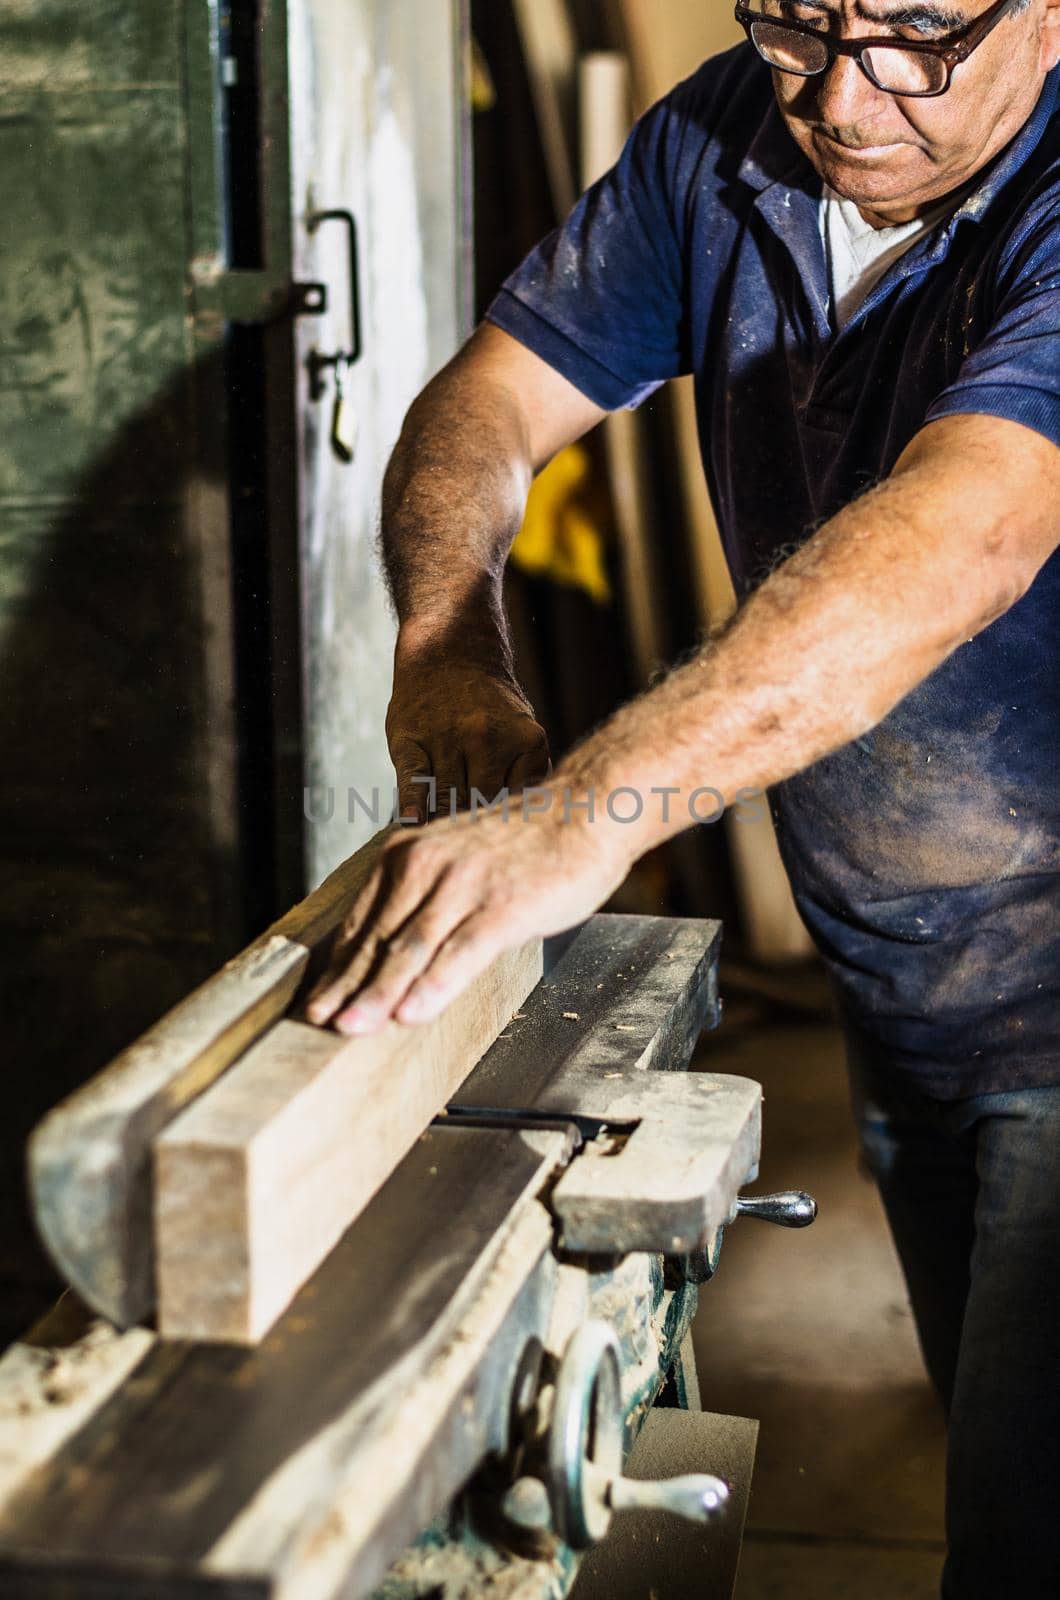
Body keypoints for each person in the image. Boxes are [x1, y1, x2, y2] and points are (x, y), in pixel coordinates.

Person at [307, 3, 1060, 1591]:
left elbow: (965, 535)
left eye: (918, 37)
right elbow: (495, 403)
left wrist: (585, 819)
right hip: (904, 965)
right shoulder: (728, 135)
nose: (844, 99)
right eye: (799, 23)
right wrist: (451, 637)